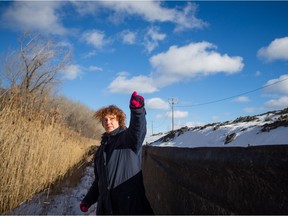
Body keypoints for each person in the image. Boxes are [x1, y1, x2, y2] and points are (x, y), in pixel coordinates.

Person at [80, 91, 154, 215]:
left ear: (119, 120)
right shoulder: (100, 150)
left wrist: (137, 110)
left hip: (130, 207)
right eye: (105, 120)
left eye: (112, 119)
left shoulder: (128, 139)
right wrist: (88, 200)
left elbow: (138, 129)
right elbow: (99, 181)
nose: (108, 122)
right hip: (106, 209)